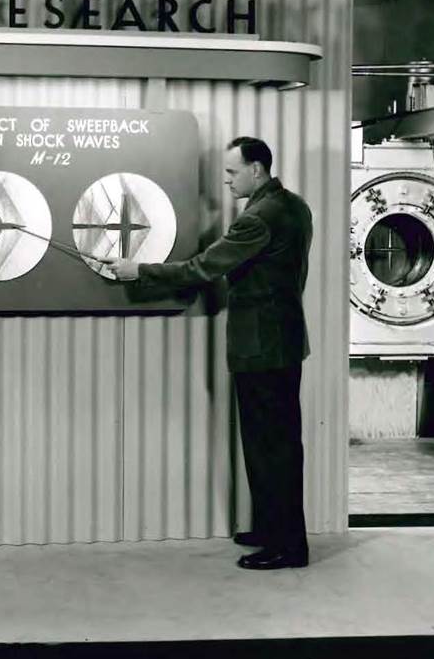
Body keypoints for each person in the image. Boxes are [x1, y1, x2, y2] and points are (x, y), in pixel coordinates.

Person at [108, 136, 312, 570]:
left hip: (261, 346)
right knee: (278, 444)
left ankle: (287, 547)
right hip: (284, 342)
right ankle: (276, 530)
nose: (226, 180)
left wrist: (138, 270)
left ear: (257, 170)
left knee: (267, 446)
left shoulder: (258, 218)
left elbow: (203, 267)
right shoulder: (295, 206)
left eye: (232, 171)